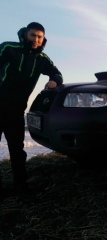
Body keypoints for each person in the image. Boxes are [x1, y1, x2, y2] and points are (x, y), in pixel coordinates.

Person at [0, 22, 63, 198]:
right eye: (33, 35)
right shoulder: (8, 48)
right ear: (26, 35)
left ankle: (21, 185)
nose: (36, 39)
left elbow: (57, 73)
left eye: (39, 37)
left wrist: (54, 81)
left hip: (16, 109)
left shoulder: (42, 58)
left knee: (17, 149)